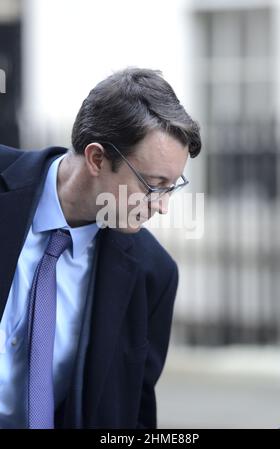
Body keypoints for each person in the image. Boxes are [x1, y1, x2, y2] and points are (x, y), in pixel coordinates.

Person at [0, 67, 201, 429]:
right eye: (153, 184)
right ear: (96, 158)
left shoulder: (153, 274)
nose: (162, 205)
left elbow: (133, 420)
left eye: (172, 186)